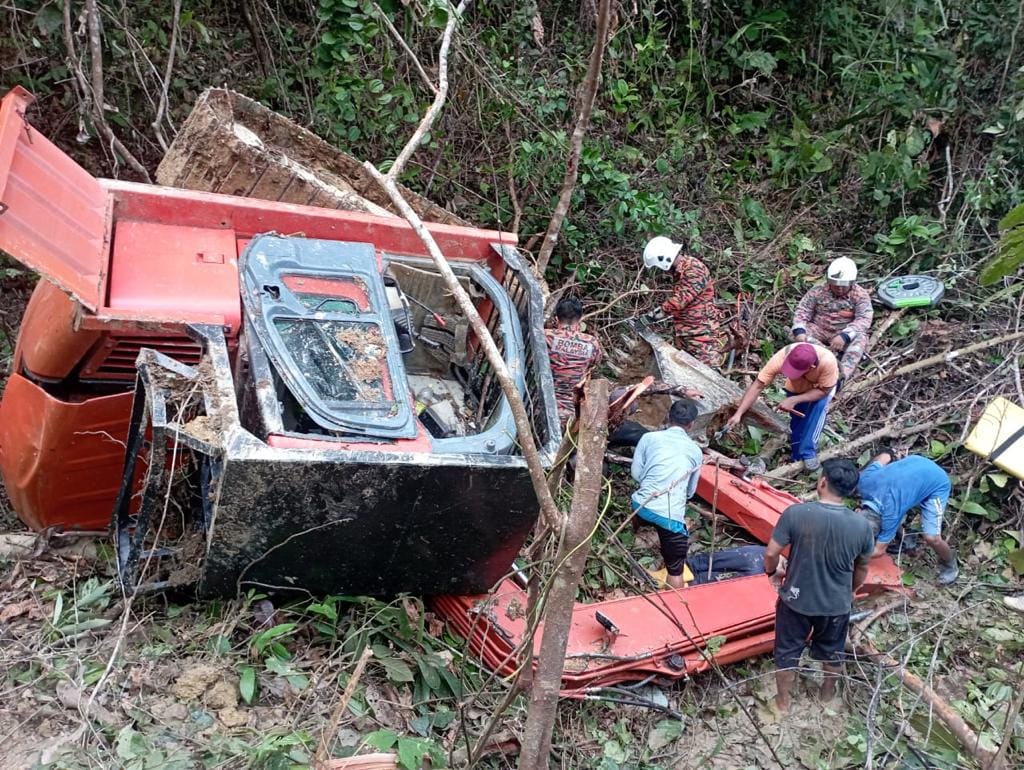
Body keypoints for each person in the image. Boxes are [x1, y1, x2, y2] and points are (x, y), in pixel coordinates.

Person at [764, 458, 875, 713]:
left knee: (786, 654)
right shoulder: (862, 526)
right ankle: (827, 698)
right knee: (833, 652)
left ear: (822, 481)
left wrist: (773, 572)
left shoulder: (797, 513)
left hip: (796, 601)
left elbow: (771, 553)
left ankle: (783, 704)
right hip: (836, 605)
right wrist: (851, 592)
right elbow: (862, 568)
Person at [725, 342, 839, 472]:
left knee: (814, 418)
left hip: (820, 390)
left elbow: (824, 391)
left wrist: (794, 400)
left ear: (811, 367)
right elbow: (757, 386)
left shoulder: (828, 363)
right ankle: (796, 458)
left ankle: (808, 452)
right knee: (797, 424)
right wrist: (738, 414)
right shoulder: (782, 356)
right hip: (796, 387)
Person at [630, 399, 703, 589]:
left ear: (668, 417)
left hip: (641, 505)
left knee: (640, 503)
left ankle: (633, 535)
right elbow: (690, 492)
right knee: (675, 569)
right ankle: (674, 608)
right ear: (691, 424)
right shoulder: (696, 451)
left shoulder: (649, 438)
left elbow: (636, 474)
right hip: (670, 517)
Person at [858, 452, 959, 585]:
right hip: (914, 463)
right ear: (857, 511)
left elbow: (879, 551)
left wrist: (849, 555)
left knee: (932, 538)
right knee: (896, 510)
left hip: (936, 481)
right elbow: (884, 457)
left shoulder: (890, 515)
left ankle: (950, 564)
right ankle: (904, 541)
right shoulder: (863, 482)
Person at [641, 236, 725, 367]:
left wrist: (652, 317)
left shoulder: (694, 269)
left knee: (706, 375)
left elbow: (679, 301)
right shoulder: (681, 272)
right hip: (687, 333)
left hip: (701, 335)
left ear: (664, 259)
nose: (663, 271)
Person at [792, 256, 873, 384]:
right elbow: (803, 310)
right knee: (796, 333)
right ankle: (829, 356)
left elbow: (864, 318)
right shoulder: (817, 291)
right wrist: (800, 331)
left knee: (860, 339)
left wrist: (845, 335)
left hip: (844, 332)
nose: (839, 288)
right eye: (836, 285)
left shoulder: (860, 295)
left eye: (843, 285)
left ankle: (841, 375)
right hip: (818, 329)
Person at [545, 297, 603, 426]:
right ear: (580, 319)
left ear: (557, 318)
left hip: (542, 403)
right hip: (572, 411)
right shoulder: (592, 343)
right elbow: (595, 364)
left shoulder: (545, 337)